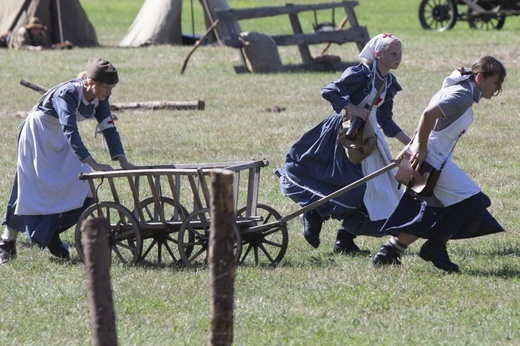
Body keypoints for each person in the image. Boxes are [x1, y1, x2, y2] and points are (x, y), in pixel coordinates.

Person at [276, 33, 411, 254]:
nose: (398, 58)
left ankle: (345, 240)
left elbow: (385, 121)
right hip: (344, 135)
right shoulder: (360, 73)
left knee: (381, 190)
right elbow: (329, 91)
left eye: (400, 53)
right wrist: (353, 108)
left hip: (369, 138)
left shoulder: (390, 82)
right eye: (393, 53)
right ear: (378, 54)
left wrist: (410, 142)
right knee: (352, 187)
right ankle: (314, 213)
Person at [372, 56, 507, 272]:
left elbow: (431, 122)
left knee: (437, 210)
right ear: (480, 78)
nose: (498, 89)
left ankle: (389, 252)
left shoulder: (460, 86)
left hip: (434, 159)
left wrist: (413, 147)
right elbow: (428, 115)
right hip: (432, 160)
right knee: (475, 201)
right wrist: (419, 148)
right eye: (496, 83)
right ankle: (435, 246)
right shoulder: (462, 95)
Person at [0, 58, 135, 264]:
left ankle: (52, 233)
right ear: (90, 82)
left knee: (83, 184)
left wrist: (122, 159)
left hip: (62, 138)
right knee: (29, 188)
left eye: (111, 88)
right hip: (39, 134)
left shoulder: (100, 98)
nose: (109, 91)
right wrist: (94, 163)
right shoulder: (68, 93)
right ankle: (7, 243)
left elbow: (109, 128)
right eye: (106, 87)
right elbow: (70, 129)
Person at [8, 17, 73, 51]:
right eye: (34, 28)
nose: (36, 30)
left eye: (37, 28)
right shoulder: (23, 33)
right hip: (9, 39)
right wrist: (35, 49)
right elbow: (21, 47)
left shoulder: (41, 33)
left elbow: (46, 45)